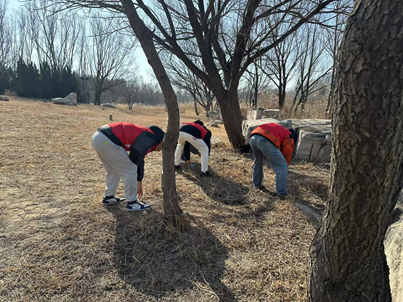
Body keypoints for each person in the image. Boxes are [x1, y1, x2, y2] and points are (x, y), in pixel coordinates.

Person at [91, 122, 164, 211]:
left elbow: (139, 158)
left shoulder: (145, 135)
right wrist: (136, 178)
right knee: (130, 169)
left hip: (99, 137)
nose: (161, 150)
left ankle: (109, 197)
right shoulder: (149, 138)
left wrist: (139, 180)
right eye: (162, 146)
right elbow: (135, 158)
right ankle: (132, 203)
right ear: (160, 141)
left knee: (113, 170)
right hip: (108, 139)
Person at [250, 123, 294, 198]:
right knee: (281, 166)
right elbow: (287, 152)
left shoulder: (278, 127)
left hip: (254, 137)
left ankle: (257, 184)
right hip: (265, 140)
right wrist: (285, 164)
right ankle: (281, 193)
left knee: (258, 161)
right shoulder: (289, 135)